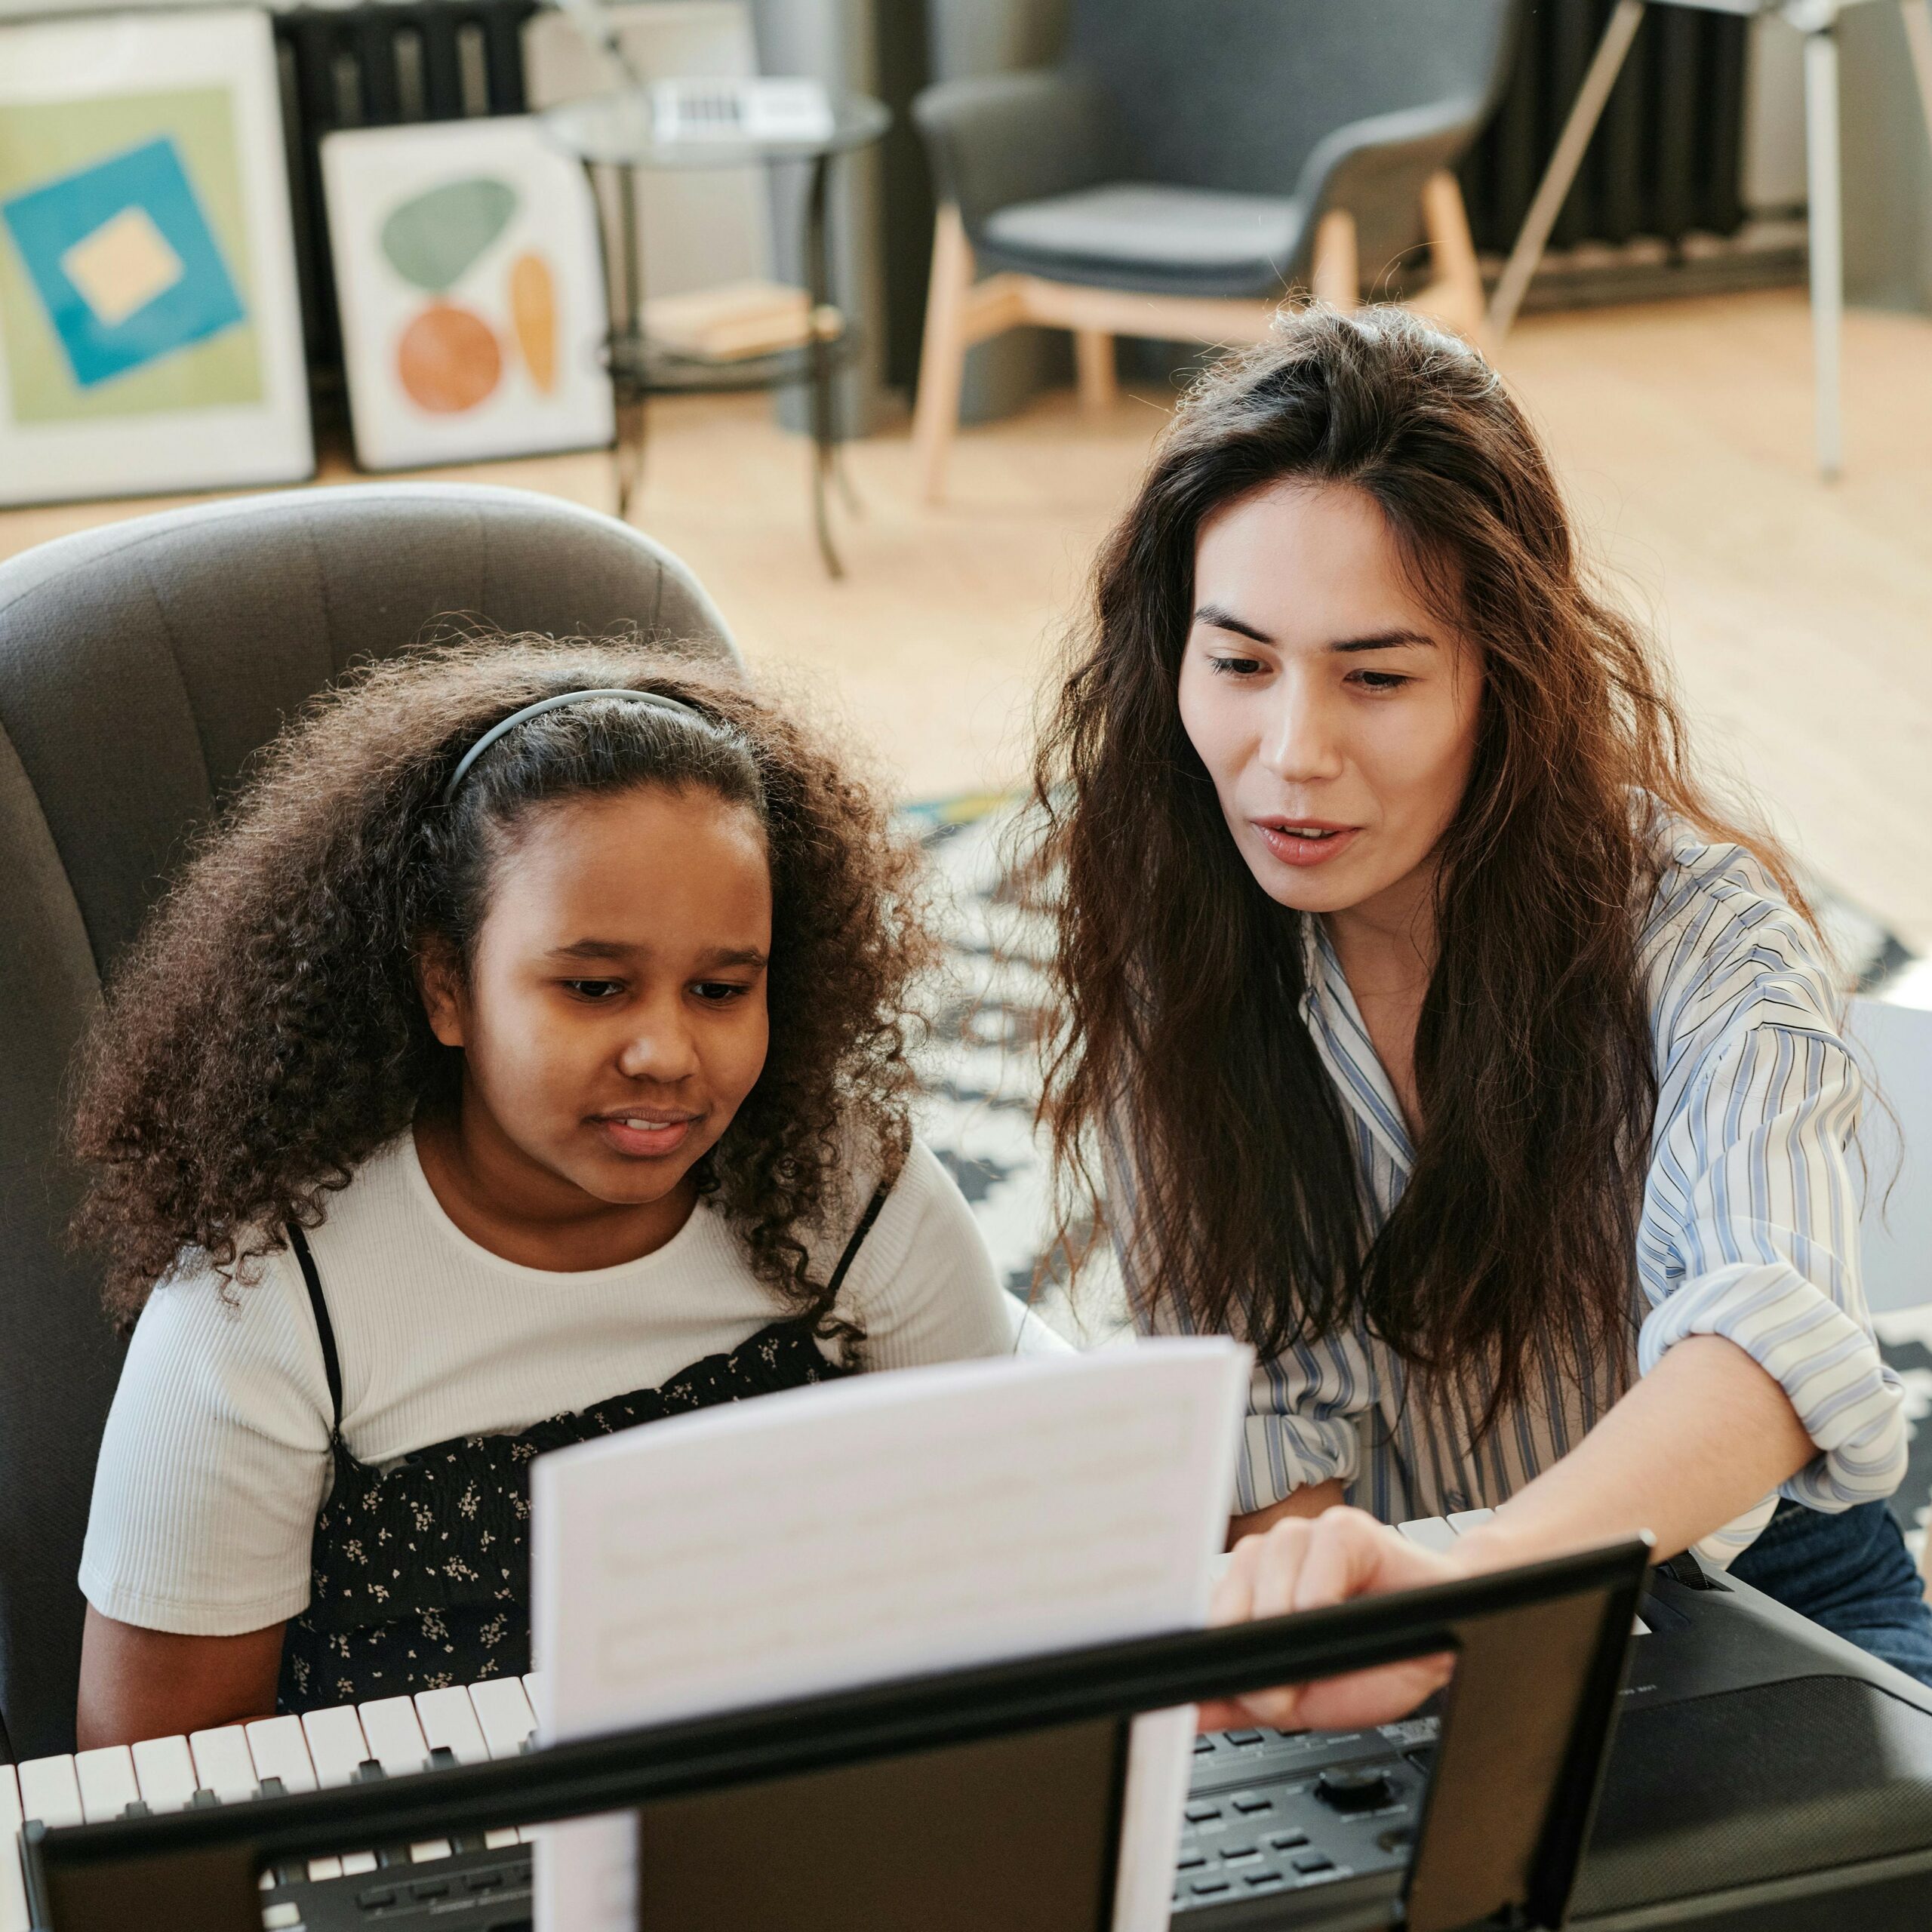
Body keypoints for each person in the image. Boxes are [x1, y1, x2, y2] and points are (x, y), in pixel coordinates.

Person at [1032, 303, 1929, 1727]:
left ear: (1503, 682)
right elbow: (1272, 1429)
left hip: (1742, 1588)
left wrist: (1477, 1591)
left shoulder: (1700, 935)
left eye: (1378, 677)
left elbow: (1768, 1334)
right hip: (1406, 1589)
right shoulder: (1179, 939)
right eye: (1240, 662)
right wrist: (1317, 1621)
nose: (1291, 759)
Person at [73, 638, 1023, 1747]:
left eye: (722, 989)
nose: (667, 1051)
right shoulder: (269, 1306)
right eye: (594, 987)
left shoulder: (845, 1188)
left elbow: (1008, 1545)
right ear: (447, 987)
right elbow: (163, 1787)